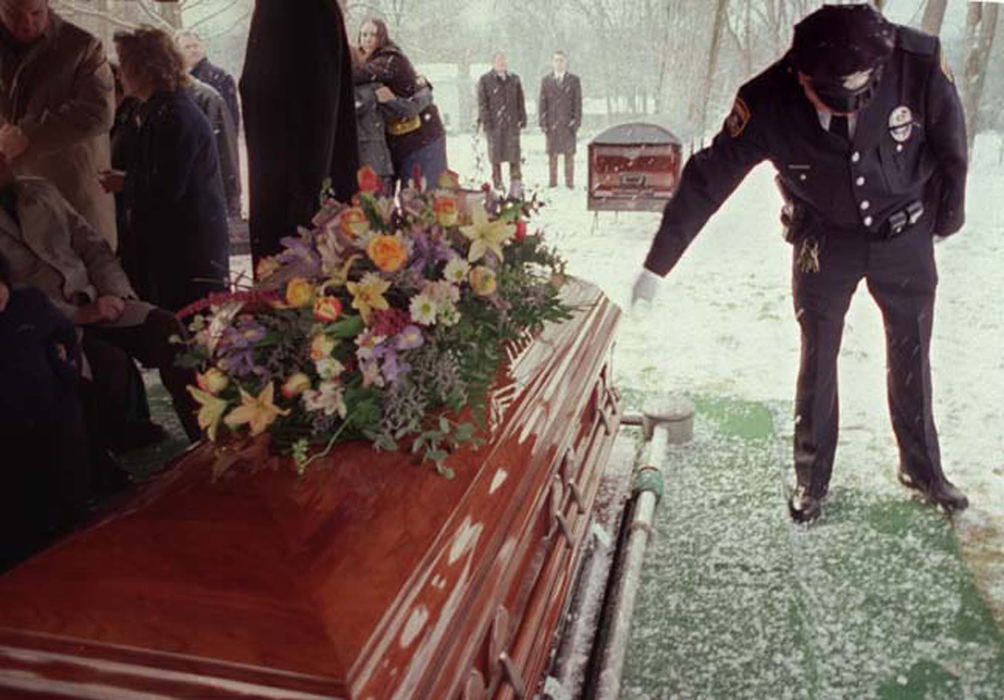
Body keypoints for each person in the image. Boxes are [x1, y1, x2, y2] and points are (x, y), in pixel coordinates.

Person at [632, 4, 968, 523]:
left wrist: (946, 219)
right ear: (803, 76)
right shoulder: (766, 100)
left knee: (912, 350)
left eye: (857, 101)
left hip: (904, 232)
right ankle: (811, 480)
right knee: (819, 358)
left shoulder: (916, 62)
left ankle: (924, 470)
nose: (848, 117)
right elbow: (707, 179)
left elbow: (951, 144)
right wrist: (657, 266)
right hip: (823, 241)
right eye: (832, 102)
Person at [0, 152, 201, 444]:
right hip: (46, 322)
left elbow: (92, 246)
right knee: (109, 364)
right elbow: (11, 298)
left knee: (166, 327)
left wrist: (113, 293)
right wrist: (77, 315)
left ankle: (207, 433)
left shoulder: (41, 189)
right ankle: (120, 449)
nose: (4, 157)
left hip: (96, 297)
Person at [101, 27, 229, 314]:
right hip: (182, 248)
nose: (119, 74)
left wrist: (125, 182)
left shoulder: (174, 116)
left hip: (188, 252)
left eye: (124, 66)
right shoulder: (160, 111)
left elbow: (167, 189)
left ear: (144, 69)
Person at [241, 0, 358, 269]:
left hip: (296, 199)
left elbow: (318, 118)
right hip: (288, 191)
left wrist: (307, 203)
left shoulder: (303, 11)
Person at [0, 249, 91, 569]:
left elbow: (63, 331)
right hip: (8, 434)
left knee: (70, 501)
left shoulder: (30, 303)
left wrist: (67, 372)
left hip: (53, 413)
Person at [0, 0, 117, 248]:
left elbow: (98, 112)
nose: (26, 24)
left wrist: (28, 135)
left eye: (36, 13)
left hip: (69, 199)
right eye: (14, 15)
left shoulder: (82, 47)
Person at [353, 18, 447, 192]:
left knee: (422, 198)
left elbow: (357, 74)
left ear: (382, 37)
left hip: (422, 137)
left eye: (373, 34)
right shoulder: (377, 61)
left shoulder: (388, 60)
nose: (367, 39)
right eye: (364, 34)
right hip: (406, 137)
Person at [354, 77, 434, 195]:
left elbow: (406, 109)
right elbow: (407, 109)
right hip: (376, 166)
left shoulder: (370, 90)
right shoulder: (371, 90)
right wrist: (425, 93)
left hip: (377, 165)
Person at [477, 52, 526, 197]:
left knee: (514, 157)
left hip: (511, 125)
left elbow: (520, 100)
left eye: (504, 60)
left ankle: (516, 186)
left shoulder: (514, 79)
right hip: (494, 125)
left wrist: (522, 117)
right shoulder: (485, 80)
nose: (502, 63)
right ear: (493, 63)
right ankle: (498, 185)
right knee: (495, 158)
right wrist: (486, 122)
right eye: (499, 61)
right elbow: (482, 104)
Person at [176, 29, 240, 132]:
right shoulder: (173, 81)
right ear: (177, 51)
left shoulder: (220, 77)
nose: (193, 50)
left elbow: (230, 119)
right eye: (187, 47)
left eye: (196, 46)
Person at [538, 50, 582, 189]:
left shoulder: (574, 80)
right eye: (556, 60)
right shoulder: (546, 81)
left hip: (568, 124)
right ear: (552, 62)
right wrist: (543, 122)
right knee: (552, 155)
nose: (559, 63)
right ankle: (553, 183)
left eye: (562, 60)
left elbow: (578, 103)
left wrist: (576, 122)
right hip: (552, 124)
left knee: (569, 155)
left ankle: (569, 183)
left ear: (566, 62)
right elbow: (542, 103)